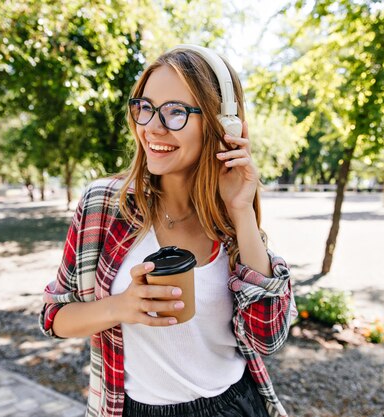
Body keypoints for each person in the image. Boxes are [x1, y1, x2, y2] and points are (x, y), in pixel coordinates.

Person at [39, 44, 297, 417]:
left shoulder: (230, 221)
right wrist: (121, 306)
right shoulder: (103, 206)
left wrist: (242, 213)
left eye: (176, 112)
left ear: (221, 124)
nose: (152, 127)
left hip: (232, 406)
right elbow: (54, 319)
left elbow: (267, 338)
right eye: (145, 108)